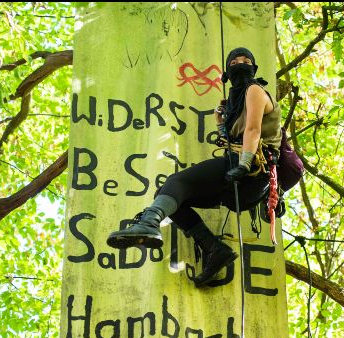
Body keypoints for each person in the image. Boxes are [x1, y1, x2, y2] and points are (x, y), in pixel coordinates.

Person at [106, 47, 282, 287]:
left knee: (177, 182)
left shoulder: (254, 90)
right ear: (226, 74)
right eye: (234, 62)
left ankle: (148, 223)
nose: (240, 64)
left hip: (250, 173)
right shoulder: (233, 103)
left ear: (254, 69)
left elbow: (253, 130)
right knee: (172, 198)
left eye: (246, 60)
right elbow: (234, 137)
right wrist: (221, 123)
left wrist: (244, 164)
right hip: (242, 182)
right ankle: (214, 249)